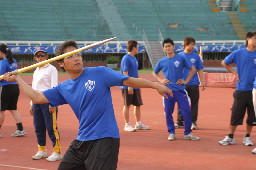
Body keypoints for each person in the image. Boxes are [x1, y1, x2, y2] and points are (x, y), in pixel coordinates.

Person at [3, 40, 173, 169]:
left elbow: (129, 80)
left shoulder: (99, 72)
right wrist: (17, 78)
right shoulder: (64, 88)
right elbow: (37, 97)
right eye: (70, 56)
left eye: (78, 54)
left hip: (104, 139)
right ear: (61, 63)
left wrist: (155, 85)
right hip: (82, 141)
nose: (76, 58)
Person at [152, 38, 200, 141]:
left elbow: (193, 69)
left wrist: (186, 81)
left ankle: (187, 133)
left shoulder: (181, 58)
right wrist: (160, 80)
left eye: (169, 46)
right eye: (166, 46)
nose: (168, 48)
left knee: (186, 111)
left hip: (180, 90)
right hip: (167, 91)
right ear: (164, 49)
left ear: (173, 47)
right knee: (168, 113)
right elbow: (154, 73)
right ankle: (171, 132)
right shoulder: (162, 61)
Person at [219, 31, 256, 151]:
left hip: (254, 89)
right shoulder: (239, 53)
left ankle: (247, 137)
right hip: (241, 89)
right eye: (255, 38)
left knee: (252, 116)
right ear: (248, 39)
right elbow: (224, 63)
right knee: (235, 114)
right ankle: (230, 137)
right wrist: (234, 72)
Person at [30, 47, 62, 161]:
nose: (40, 57)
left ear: (47, 56)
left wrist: (53, 103)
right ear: (35, 57)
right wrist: (31, 103)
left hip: (47, 100)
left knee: (51, 127)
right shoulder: (35, 70)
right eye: (37, 55)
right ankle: (42, 150)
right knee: (38, 127)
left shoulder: (51, 69)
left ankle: (57, 152)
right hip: (36, 101)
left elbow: (54, 86)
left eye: (42, 55)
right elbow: (34, 88)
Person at [175, 37, 205, 130]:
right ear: (185, 45)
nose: (192, 46)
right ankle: (180, 121)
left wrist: (202, 81)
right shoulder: (179, 56)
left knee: (194, 103)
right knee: (181, 102)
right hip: (182, 84)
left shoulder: (196, 56)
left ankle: (193, 121)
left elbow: (200, 68)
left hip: (194, 83)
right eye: (191, 44)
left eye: (193, 44)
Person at [120, 40, 149, 132]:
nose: (138, 49)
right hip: (127, 86)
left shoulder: (134, 58)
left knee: (138, 105)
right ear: (133, 48)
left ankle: (138, 123)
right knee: (127, 105)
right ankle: (127, 124)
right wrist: (129, 86)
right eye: (137, 47)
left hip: (136, 86)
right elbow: (125, 73)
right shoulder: (126, 58)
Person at [0, 44, 25, 138]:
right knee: (13, 109)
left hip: (5, 88)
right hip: (15, 87)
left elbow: (1, 76)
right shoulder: (14, 61)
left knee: (1, 110)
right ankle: (20, 129)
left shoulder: (3, 62)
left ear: (1, 52)